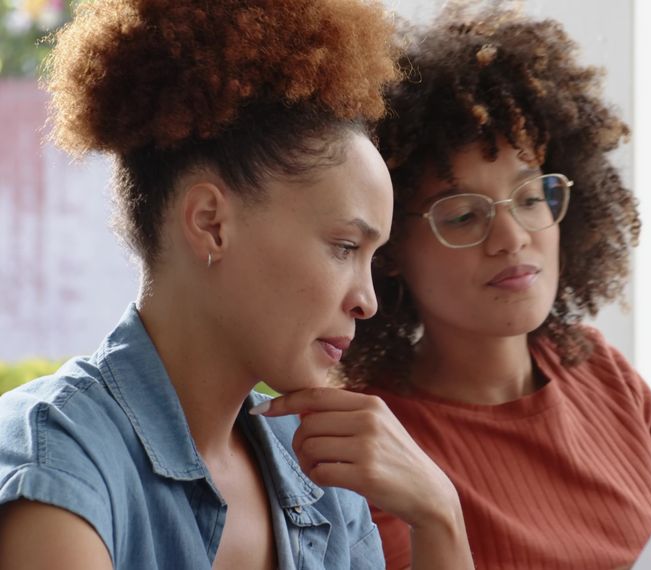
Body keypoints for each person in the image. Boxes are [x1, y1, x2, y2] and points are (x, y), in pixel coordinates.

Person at [0, 0, 472, 568]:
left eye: (372, 257)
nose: (367, 300)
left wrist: (439, 515)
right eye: (345, 247)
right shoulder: (57, 461)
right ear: (211, 224)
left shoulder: (325, 477)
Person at [337, 5, 651, 568]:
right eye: (461, 216)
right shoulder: (369, 437)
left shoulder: (604, 373)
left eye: (531, 198)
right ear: (390, 248)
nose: (511, 237)